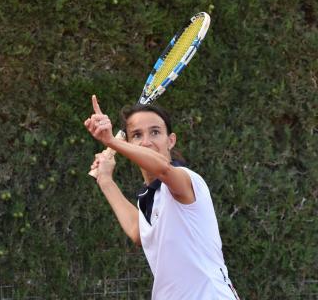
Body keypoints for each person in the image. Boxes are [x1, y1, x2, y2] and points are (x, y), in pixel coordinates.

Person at [84, 95, 239, 300]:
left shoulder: (186, 180)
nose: (146, 142)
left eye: (155, 132)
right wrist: (105, 180)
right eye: (137, 135)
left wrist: (110, 141)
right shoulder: (149, 197)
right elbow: (137, 232)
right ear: (129, 143)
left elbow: (164, 169)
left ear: (171, 140)